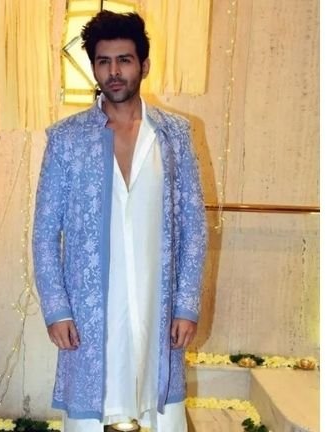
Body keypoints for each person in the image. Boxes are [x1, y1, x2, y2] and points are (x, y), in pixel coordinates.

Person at [32, 10, 207, 432]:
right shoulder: (66, 139)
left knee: (164, 417)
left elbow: (194, 227)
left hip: (156, 308)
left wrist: (186, 305)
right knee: (87, 420)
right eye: (103, 61)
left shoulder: (174, 135)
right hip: (92, 314)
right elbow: (44, 232)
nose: (114, 72)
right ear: (93, 67)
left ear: (143, 65)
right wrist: (57, 309)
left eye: (124, 60)